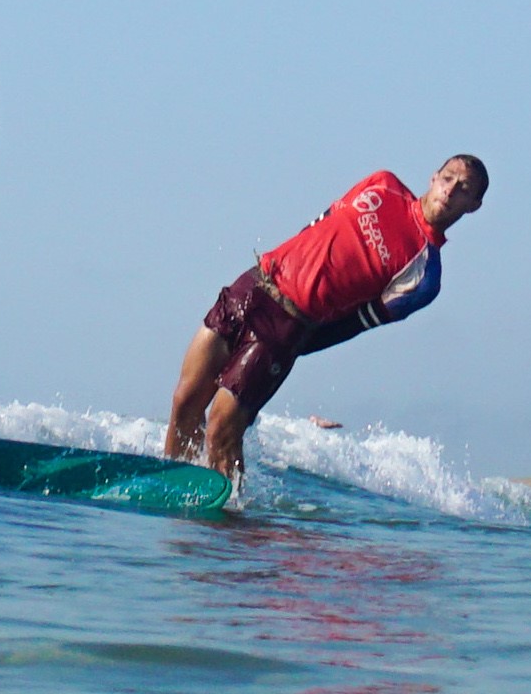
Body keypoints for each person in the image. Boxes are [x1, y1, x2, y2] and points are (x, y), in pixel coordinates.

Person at [165, 156, 489, 478]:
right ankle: (173, 483)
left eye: (463, 189)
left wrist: (291, 346)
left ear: (473, 205)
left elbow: (355, 324)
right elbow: (323, 222)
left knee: (221, 429)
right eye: (447, 179)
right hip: (254, 284)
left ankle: (229, 513)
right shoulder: (383, 183)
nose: (450, 190)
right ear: (434, 177)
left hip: (285, 326)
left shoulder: (425, 275)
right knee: (185, 401)